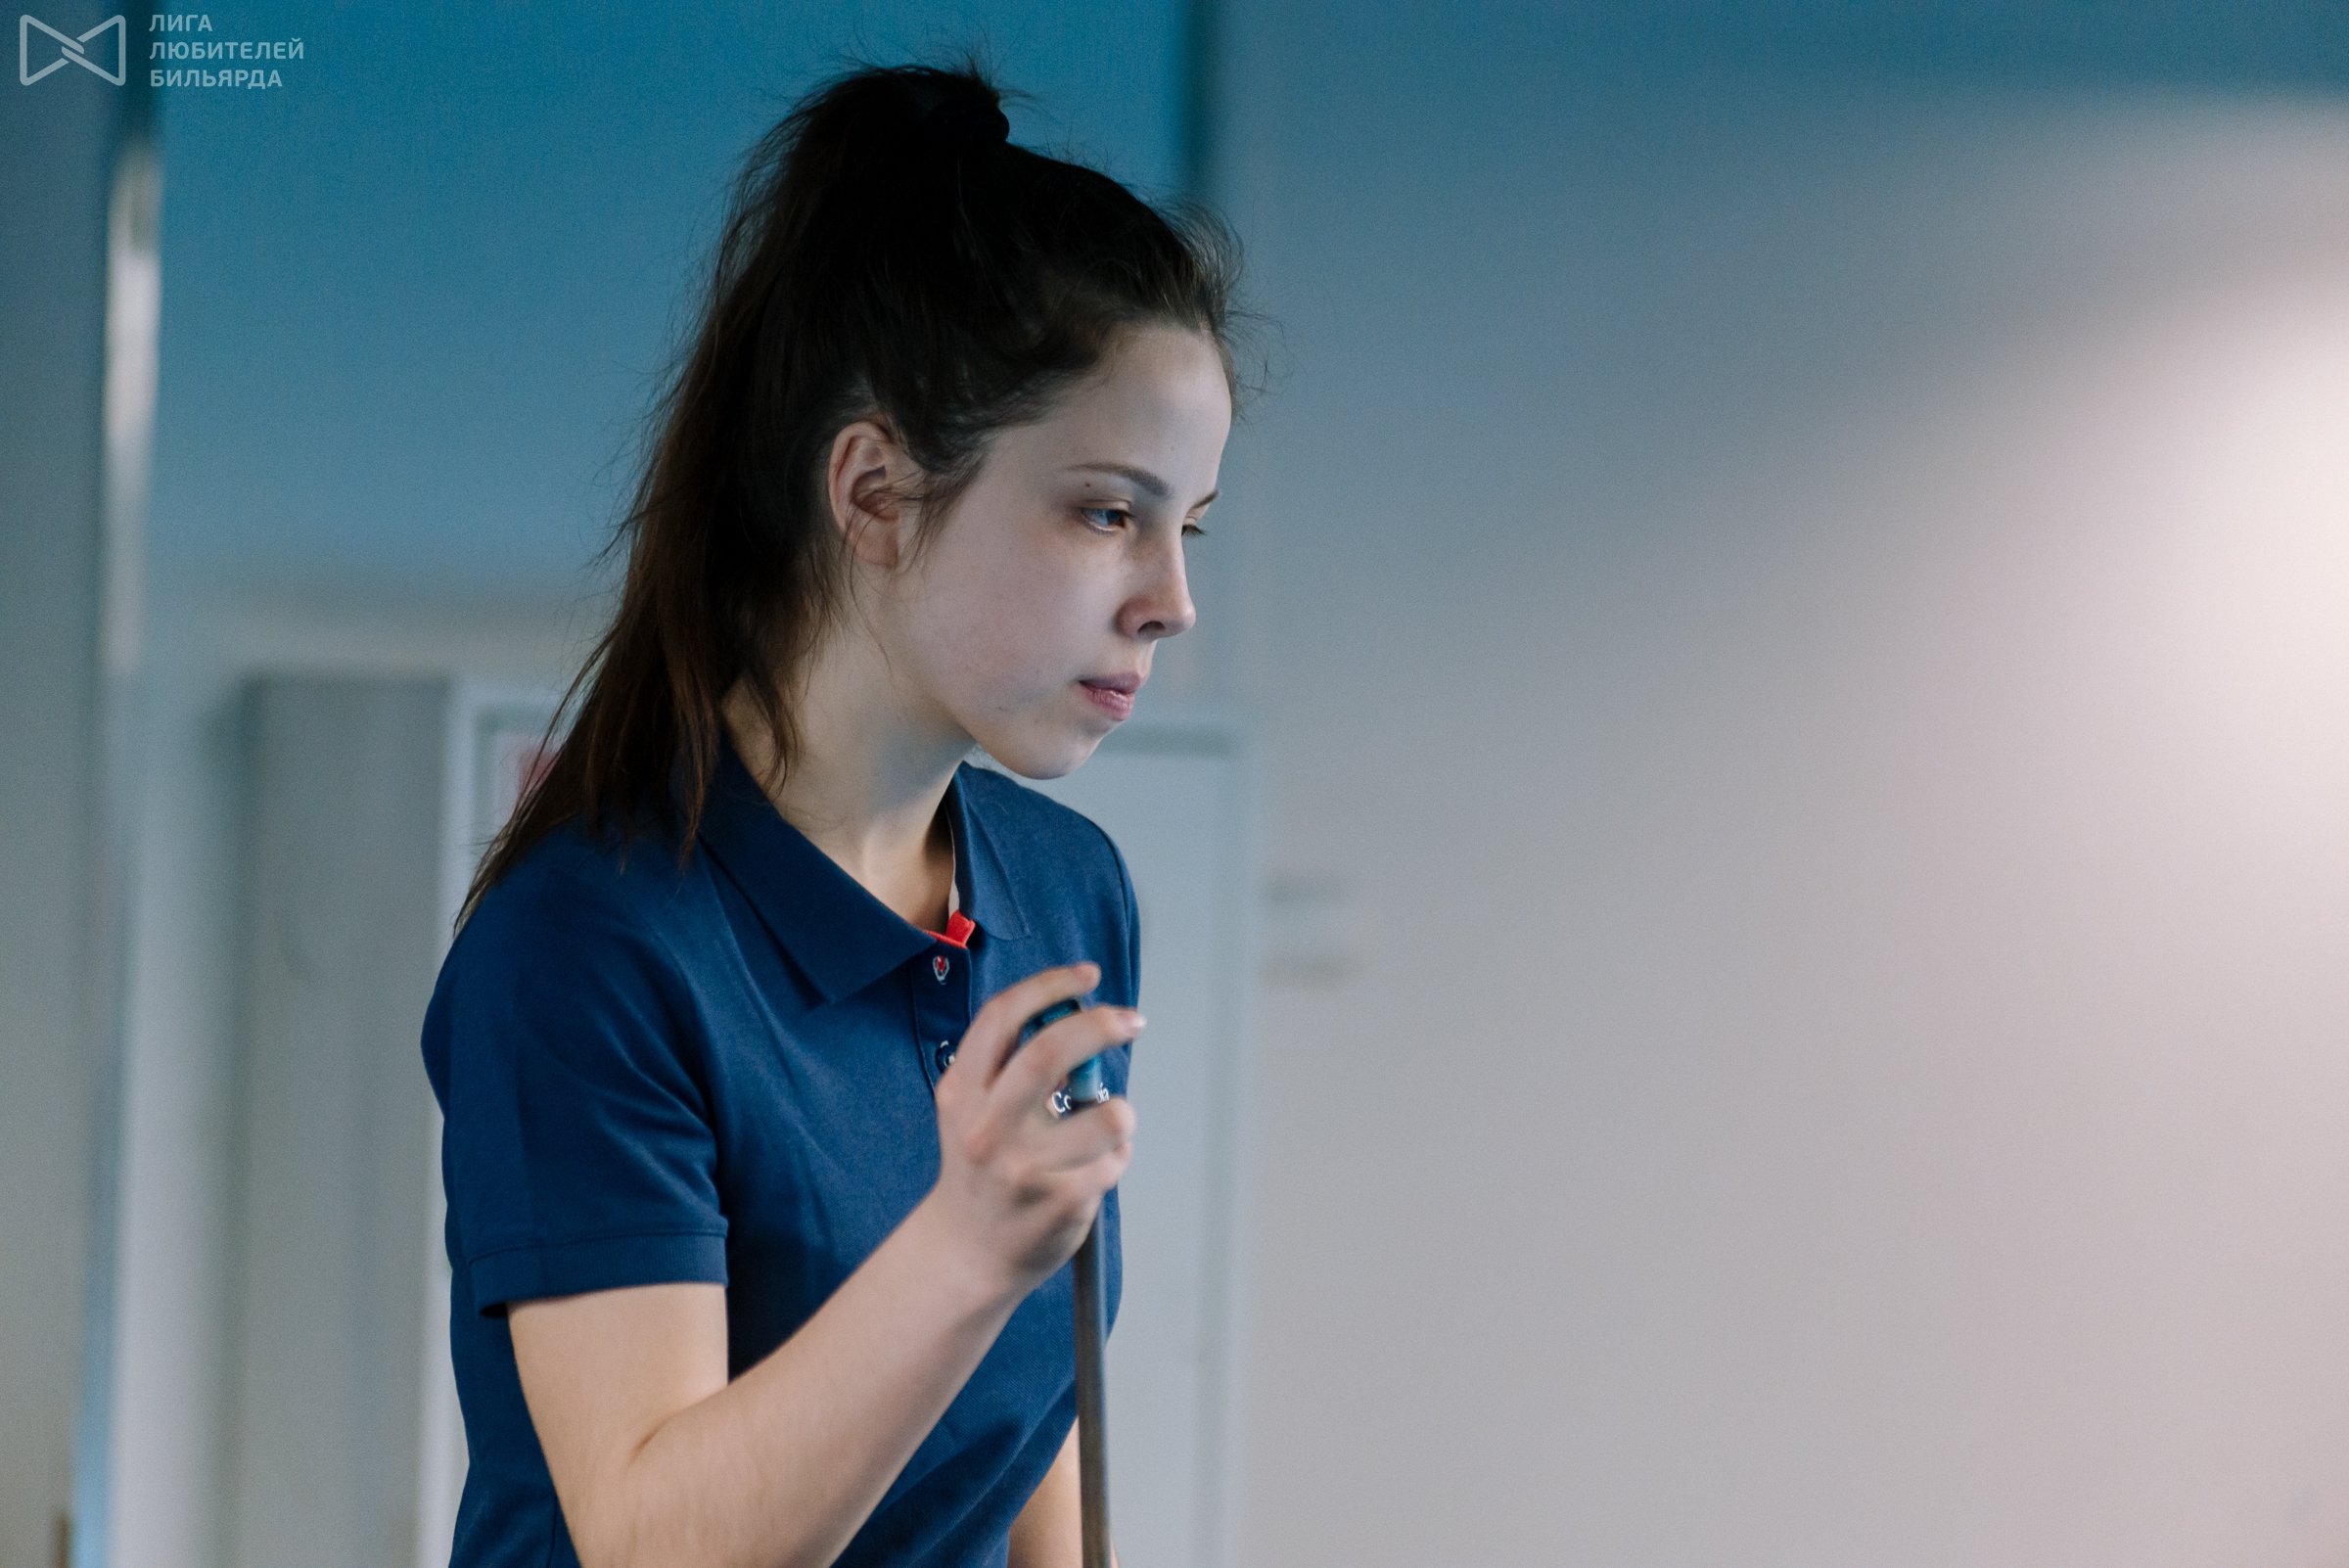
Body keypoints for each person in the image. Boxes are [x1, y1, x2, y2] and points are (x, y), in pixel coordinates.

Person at [419, 62, 1240, 1568]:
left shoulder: (1066, 892)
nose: (1172, 600)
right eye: (1108, 511)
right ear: (872, 491)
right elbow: (650, 1542)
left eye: (1186, 526)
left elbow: (1035, 1438)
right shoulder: (590, 948)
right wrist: (960, 1249)